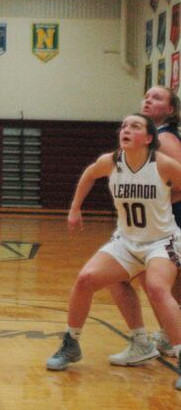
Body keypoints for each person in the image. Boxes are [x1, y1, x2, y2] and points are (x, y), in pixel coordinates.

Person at [45, 114, 181, 392]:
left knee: (156, 288)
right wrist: (75, 208)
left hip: (161, 241)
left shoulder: (163, 164)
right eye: (123, 126)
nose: (126, 130)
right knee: (86, 279)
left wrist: (169, 198)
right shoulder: (111, 161)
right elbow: (88, 174)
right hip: (127, 242)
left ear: (148, 138)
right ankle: (72, 344)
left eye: (135, 126)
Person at [108, 86, 181, 363]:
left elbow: (175, 180)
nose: (148, 100)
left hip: (169, 218)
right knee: (154, 281)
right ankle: (165, 335)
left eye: (157, 98)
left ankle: (164, 335)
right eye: (147, 96)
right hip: (155, 220)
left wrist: (155, 198)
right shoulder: (152, 141)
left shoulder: (165, 139)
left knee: (149, 279)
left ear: (170, 110)